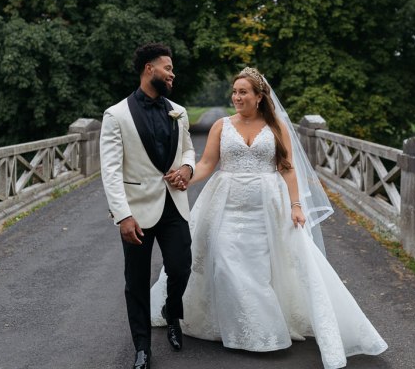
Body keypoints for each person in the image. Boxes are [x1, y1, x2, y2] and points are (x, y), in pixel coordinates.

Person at [150, 67, 388, 369]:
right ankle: (239, 329)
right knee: (223, 263)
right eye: (234, 92)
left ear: (259, 97)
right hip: (226, 205)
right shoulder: (222, 126)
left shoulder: (276, 128)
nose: (236, 97)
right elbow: (208, 164)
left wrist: (296, 204)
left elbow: (287, 168)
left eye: (243, 92)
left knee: (260, 270)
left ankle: (259, 331)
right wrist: (185, 178)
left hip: (267, 207)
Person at [100, 43, 195, 369]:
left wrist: (187, 169)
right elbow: (110, 171)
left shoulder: (178, 112)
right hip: (136, 212)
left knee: (181, 266)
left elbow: (188, 151)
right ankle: (142, 347)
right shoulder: (116, 115)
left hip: (174, 206)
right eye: (167, 68)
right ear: (148, 69)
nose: (172, 74)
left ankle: (171, 310)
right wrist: (122, 216)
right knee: (136, 280)